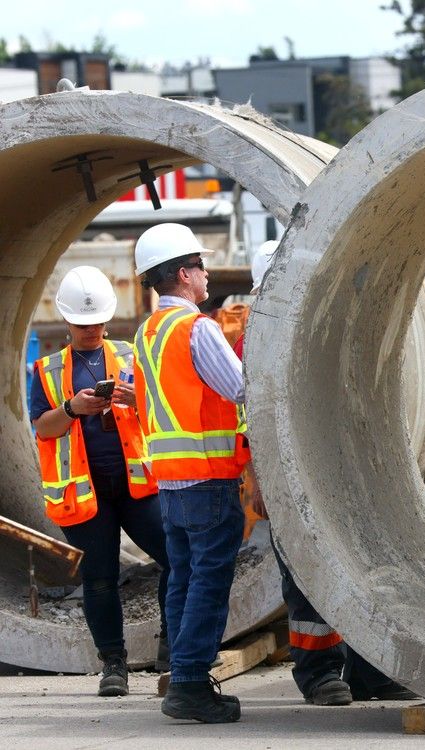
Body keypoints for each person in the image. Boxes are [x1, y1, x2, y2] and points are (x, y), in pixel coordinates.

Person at [238, 240, 417, 705]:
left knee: (359, 574)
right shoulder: (253, 339)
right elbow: (249, 418)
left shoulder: (316, 326)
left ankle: (368, 672)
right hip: (286, 479)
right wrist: (258, 480)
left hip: (334, 476)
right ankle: (318, 673)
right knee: (305, 580)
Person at [30, 265, 168, 697]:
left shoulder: (130, 356)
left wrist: (136, 398)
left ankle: (174, 651)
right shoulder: (49, 370)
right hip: (85, 494)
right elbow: (44, 428)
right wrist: (72, 409)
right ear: (67, 320)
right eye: (83, 323)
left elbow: (163, 411)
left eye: (98, 321)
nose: (92, 329)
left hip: (136, 485)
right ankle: (113, 664)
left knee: (177, 557)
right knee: (100, 577)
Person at [132, 223, 249, 724]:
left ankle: (183, 678)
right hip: (206, 477)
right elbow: (239, 388)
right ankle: (189, 684)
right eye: (200, 266)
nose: (206, 274)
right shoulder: (196, 328)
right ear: (184, 274)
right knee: (207, 581)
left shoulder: (147, 331)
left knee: (183, 577)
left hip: (171, 481)